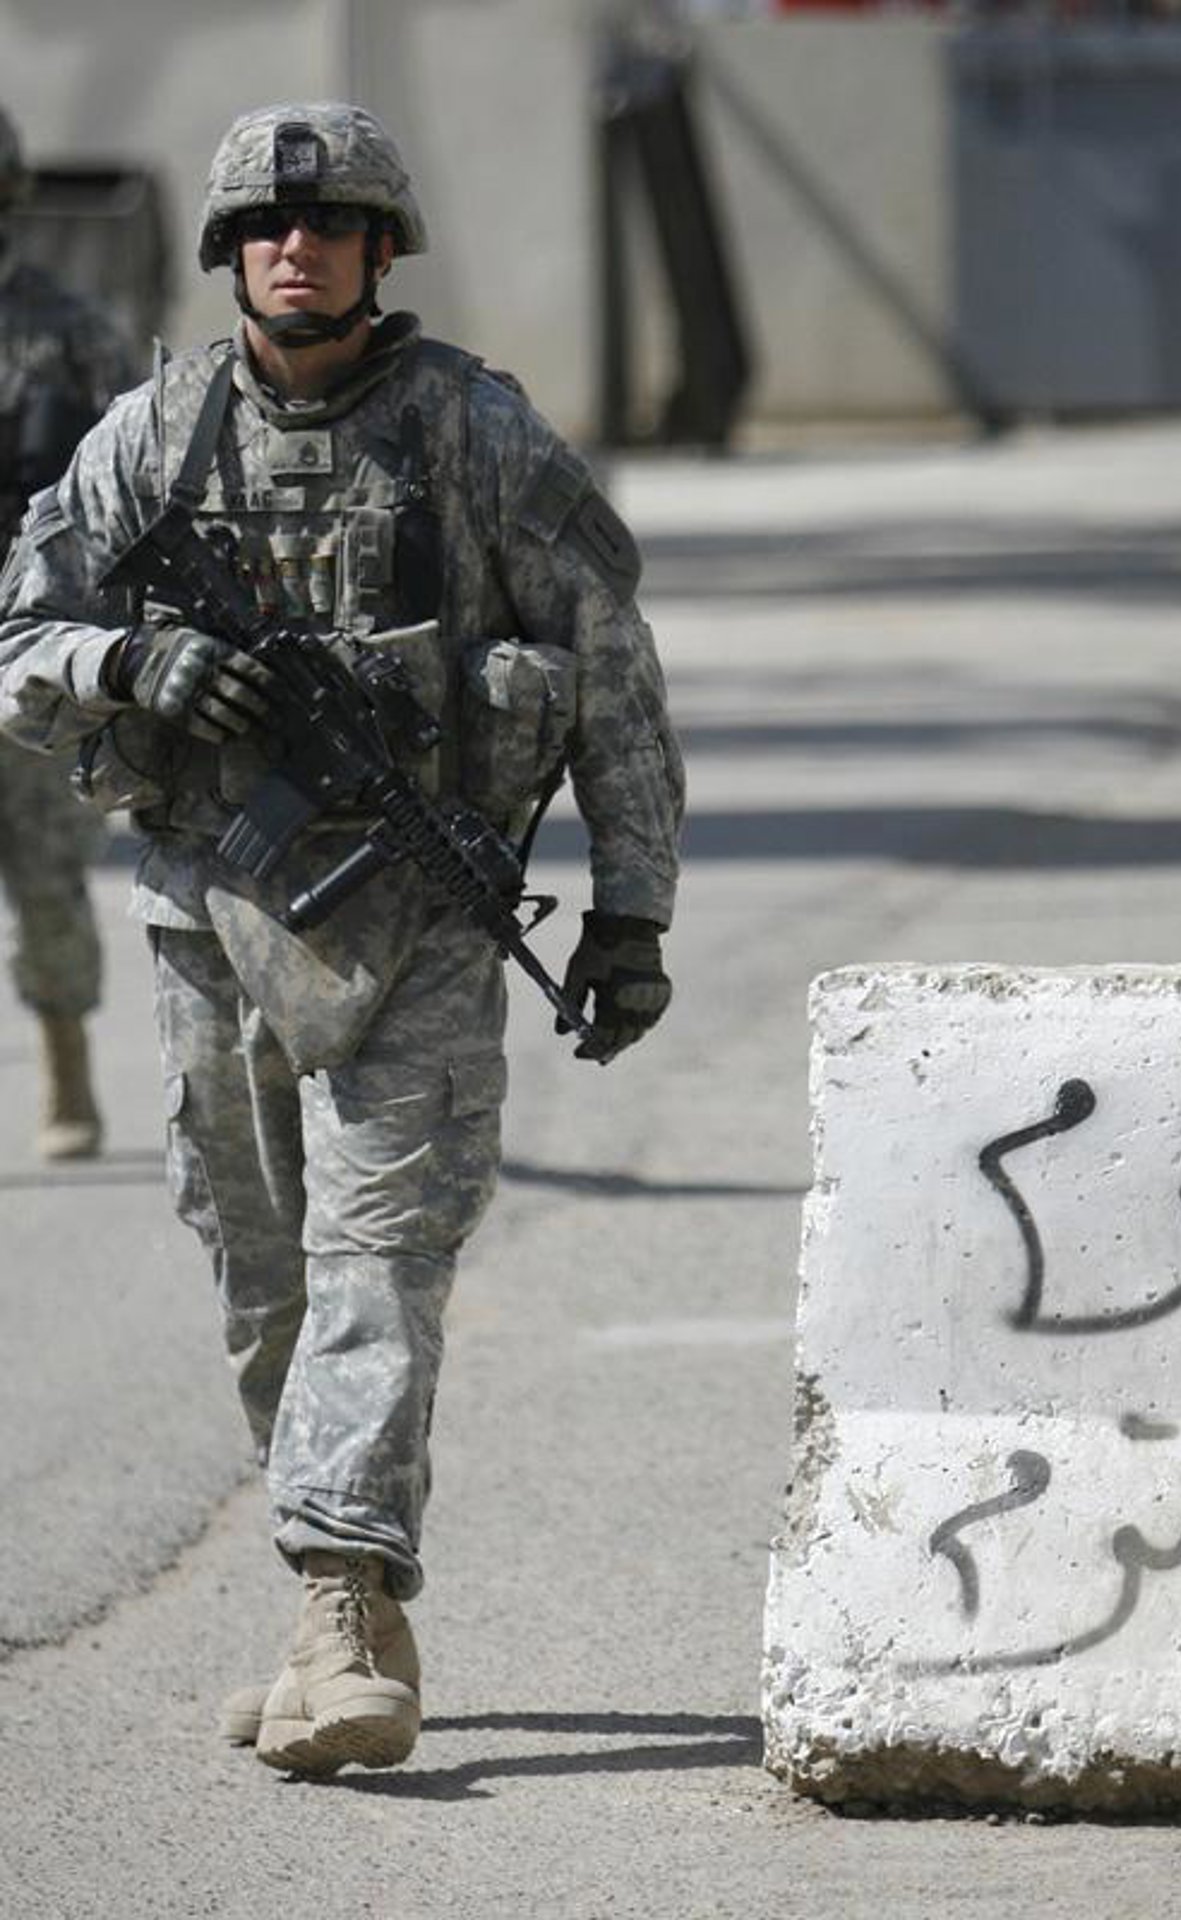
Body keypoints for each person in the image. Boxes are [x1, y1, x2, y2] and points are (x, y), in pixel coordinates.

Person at [0, 102, 685, 1774]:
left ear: (384, 251)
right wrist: (124, 665)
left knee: (380, 1260)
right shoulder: (150, 437)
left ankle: (348, 1603)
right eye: (263, 228)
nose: (293, 248)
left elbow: (610, 666)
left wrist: (632, 908)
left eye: (327, 226)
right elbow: (20, 633)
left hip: (419, 918)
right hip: (208, 913)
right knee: (265, 1286)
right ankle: (325, 1587)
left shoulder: (476, 433)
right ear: (228, 254)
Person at [0, 104, 142, 1158]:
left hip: (32, 648)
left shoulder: (71, 333)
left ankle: (66, 1066)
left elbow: (135, 490)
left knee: (47, 875)